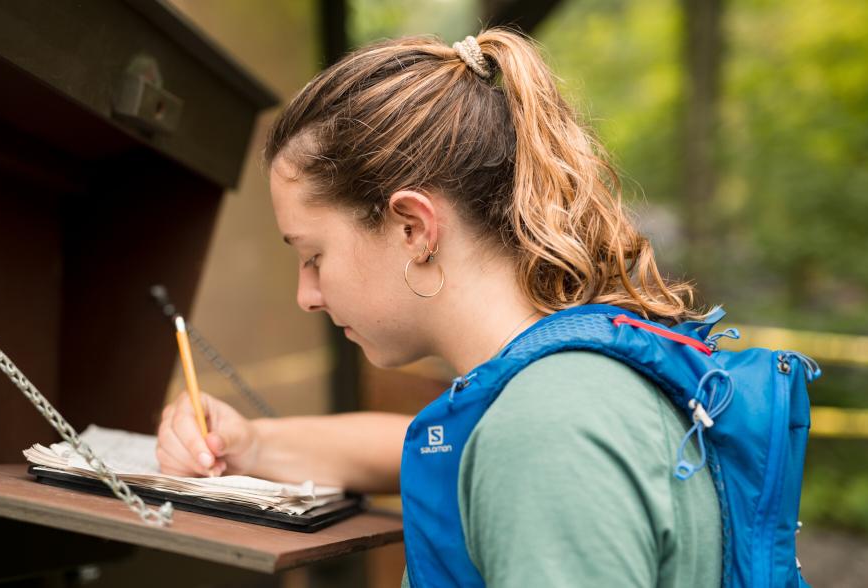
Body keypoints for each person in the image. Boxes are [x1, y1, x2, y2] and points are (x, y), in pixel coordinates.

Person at [157, 28, 721, 587]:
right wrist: (251, 445)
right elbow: (413, 445)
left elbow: (516, 446)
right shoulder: (560, 383)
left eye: (313, 255)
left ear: (414, 229)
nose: (307, 296)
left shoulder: (542, 435)